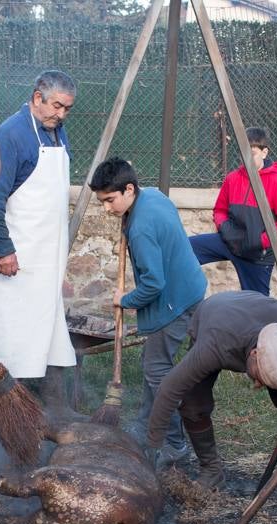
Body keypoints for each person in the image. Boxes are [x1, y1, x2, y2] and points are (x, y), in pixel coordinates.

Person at [145, 290, 277, 504]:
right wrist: (152, 448)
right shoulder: (212, 348)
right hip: (214, 317)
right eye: (259, 378)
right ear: (254, 354)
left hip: (254, 314)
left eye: (263, 382)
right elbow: (168, 390)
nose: (257, 386)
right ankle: (212, 471)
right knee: (193, 403)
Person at [90, 157, 207, 468]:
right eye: (102, 202)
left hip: (172, 302)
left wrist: (124, 300)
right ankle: (145, 423)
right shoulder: (153, 195)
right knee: (153, 364)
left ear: (129, 189)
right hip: (190, 287)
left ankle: (175, 444)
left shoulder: (140, 229)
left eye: (110, 200)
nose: (106, 208)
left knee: (158, 374)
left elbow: (153, 283)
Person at [0, 70, 78, 417]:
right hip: (20, 254)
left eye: (68, 109)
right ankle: (15, 408)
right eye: (57, 106)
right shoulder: (11, 135)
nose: (62, 114)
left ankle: (55, 405)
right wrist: (4, 249)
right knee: (18, 333)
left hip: (48, 252)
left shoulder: (56, 132)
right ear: (37, 97)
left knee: (51, 326)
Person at [188, 127, 277, 295]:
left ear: (264, 152)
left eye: (251, 153)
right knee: (185, 249)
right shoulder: (232, 178)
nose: (246, 158)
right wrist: (225, 229)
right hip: (230, 241)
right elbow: (219, 210)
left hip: (257, 253)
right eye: (242, 152)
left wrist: (261, 241)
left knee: (257, 304)